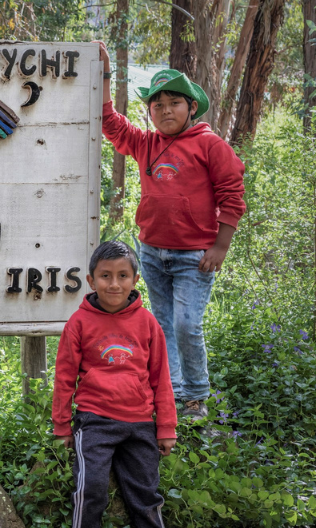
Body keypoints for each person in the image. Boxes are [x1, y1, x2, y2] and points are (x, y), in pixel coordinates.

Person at [98, 41, 246, 419]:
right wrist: (103, 75)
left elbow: (233, 196)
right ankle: (174, 392)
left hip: (194, 256)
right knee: (163, 326)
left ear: (191, 107)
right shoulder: (146, 144)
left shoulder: (210, 145)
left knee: (186, 324)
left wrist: (221, 247)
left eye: (174, 103)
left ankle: (196, 396)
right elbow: (112, 125)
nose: (165, 111)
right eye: (157, 105)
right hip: (151, 252)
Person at [52, 241, 177, 528]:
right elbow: (64, 377)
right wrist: (62, 425)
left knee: (146, 496)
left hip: (140, 424)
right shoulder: (79, 323)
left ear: (135, 279)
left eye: (123, 276)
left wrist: (166, 427)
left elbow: (161, 377)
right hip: (94, 422)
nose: (114, 284)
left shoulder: (147, 323)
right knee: (89, 490)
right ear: (91, 280)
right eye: (105, 276)